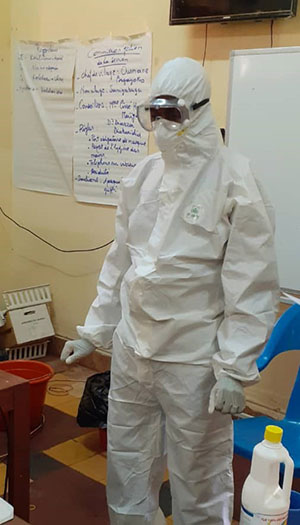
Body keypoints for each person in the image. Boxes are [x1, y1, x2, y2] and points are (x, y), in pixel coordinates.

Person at [61, 57, 279, 524]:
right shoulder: (143, 177)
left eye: (171, 114)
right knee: (128, 462)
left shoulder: (235, 179)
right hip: (133, 352)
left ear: (199, 111)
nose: (160, 125)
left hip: (194, 361)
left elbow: (250, 284)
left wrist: (234, 370)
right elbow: (120, 261)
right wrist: (95, 331)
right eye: (153, 114)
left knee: (198, 476)